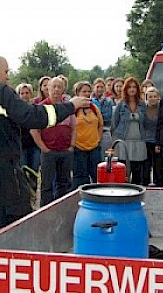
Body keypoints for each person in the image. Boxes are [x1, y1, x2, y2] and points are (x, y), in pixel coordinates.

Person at [0, 54, 89, 244]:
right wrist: (69, 106)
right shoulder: (1, 92)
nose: (8, 77)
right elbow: (34, 117)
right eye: (6, 72)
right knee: (15, 229)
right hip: (3, 174)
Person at [32, 76, 77, 205]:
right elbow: (34, 130)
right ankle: (45, 211)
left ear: (63, 89)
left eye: (59, 87)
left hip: (65, 151)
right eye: (54, 87)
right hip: (49, 152)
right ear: (48, 89)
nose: (56, 90)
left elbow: (74, 127)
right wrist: (44, 148)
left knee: (65, 183)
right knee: (46, 184)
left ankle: (62, 208)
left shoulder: (67, 107)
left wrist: (71, 146)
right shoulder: (41, 107)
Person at [111, 77, 147, 184]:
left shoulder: (142, 104)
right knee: (124, 172)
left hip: (139, 141)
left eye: (134, 87)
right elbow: (114, 123)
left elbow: (145, 122)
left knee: (137, 173)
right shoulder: (120, 105)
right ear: (125, 89)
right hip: (124, 142)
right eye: (129, 87)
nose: (132, 89)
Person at [72, 80, 103, 187]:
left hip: (94, 147)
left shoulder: (94, 107)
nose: (87, 94)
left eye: (88, 91)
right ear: (77, 93)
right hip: (78, 148)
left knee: (96, 176)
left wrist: (98, 139)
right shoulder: (73, 109)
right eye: (84, 91)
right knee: (80, 178)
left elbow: (100, 124)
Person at [16, 83, 41, 174]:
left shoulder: (35, 109)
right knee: (22, 172)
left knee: (34, 172)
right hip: (21, 146)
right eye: (22, 93)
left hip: (35, 146)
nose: (25, 95)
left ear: (31, 94)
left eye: (27, 93)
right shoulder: (15, 110)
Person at [142, 86, 163, 186]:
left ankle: (158, 185)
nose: (153, 98)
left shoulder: (161, 109)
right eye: (150, 96)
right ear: (146, 97)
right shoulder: (143, 109)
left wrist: (159, 142)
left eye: (155, 96)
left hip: (158, 140)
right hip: (145, 141)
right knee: (146, 165)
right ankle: (145, 185)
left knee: (158, 166)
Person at [91, 77, 114, 155]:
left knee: (105, 156)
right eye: (97, 87)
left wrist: (95, 116)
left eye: (101, 87)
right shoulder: (89, 101)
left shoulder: (108, 101)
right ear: (93, 87)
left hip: (105, 132)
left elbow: (107, 117)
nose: (99, 89)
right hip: (91, 132)